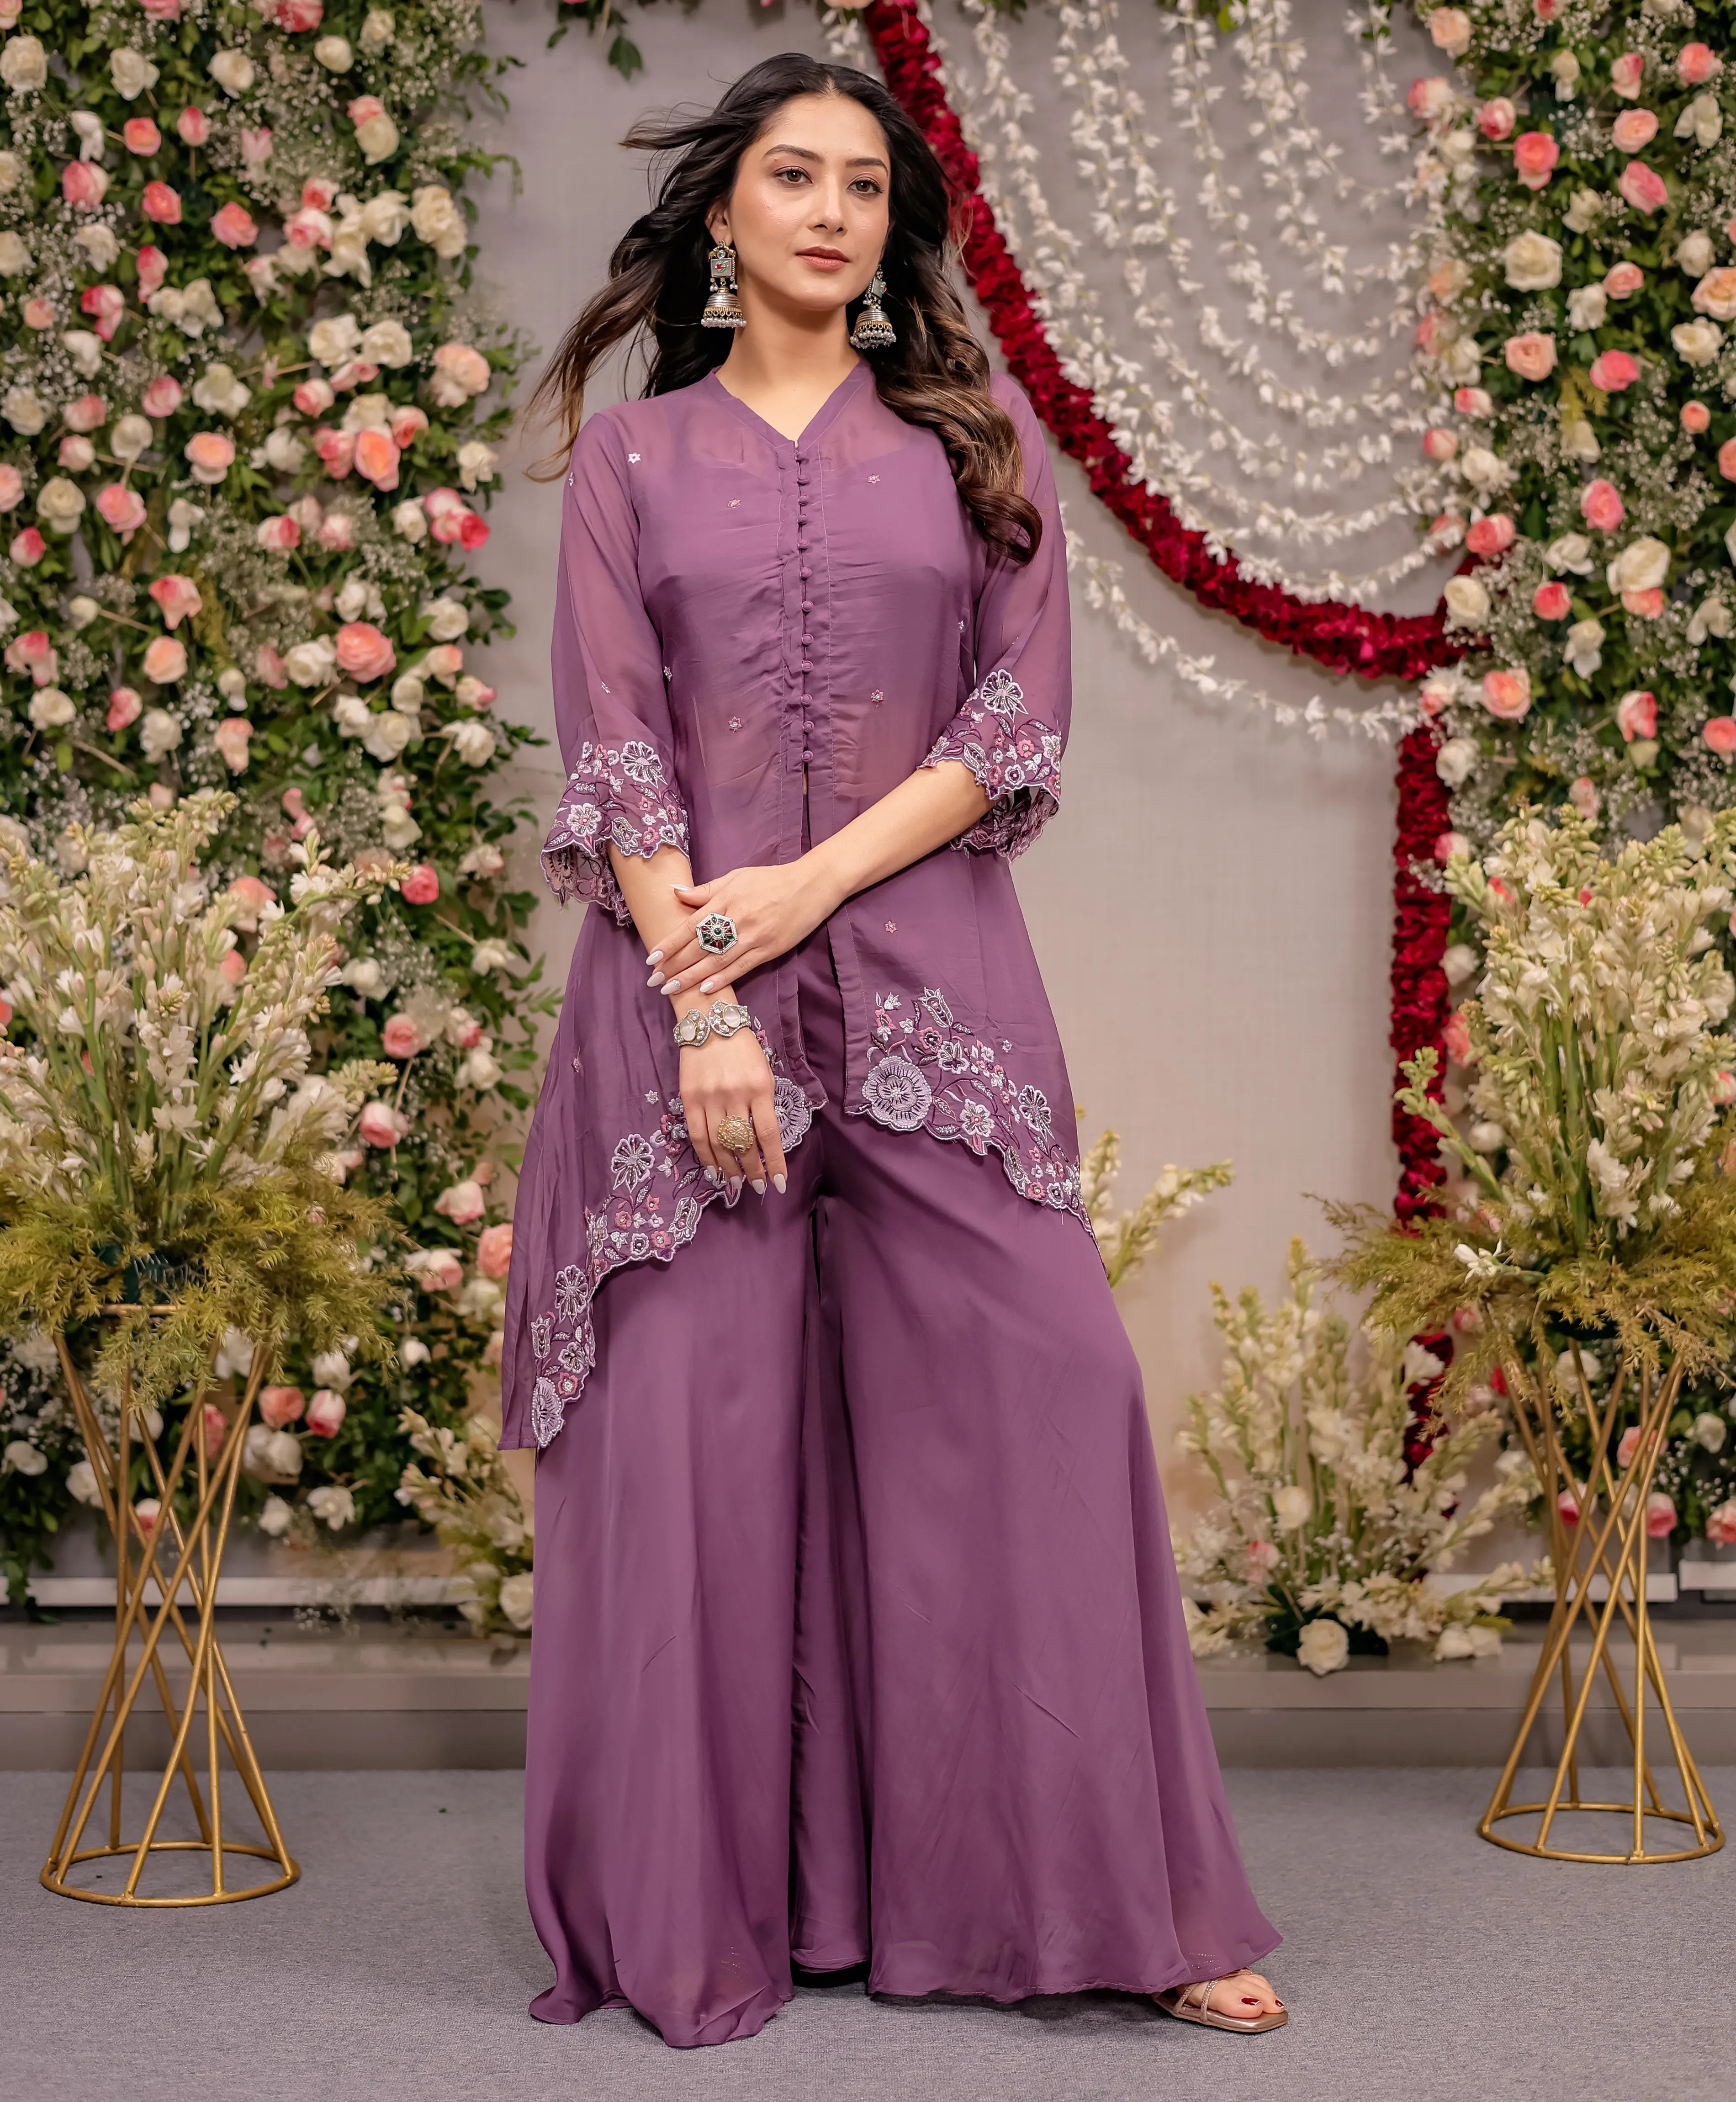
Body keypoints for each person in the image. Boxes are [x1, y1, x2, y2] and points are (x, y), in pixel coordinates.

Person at [501, 51, 1284, 2049]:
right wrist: (706, 996)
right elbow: (613, 748)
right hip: (681, 1015)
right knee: (694, 1456)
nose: (832, 212)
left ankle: (1126, 1900)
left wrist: (808, 885)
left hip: (934, 994)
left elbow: (1013, 725)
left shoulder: (971, 441)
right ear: (724, 212)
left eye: (864, 183)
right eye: (793, 176)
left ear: (892, 226)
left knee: (1051, 1386)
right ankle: (702, 1918)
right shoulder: (634, 461)